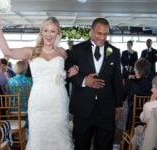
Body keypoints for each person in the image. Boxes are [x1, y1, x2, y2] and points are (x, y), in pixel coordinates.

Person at [0, 15, 76, 150]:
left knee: (59, 135)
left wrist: (75, 68)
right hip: (38, 102)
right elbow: (7, 51)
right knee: (38, 136)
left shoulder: (62, 52)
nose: (49, 35)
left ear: (58, 34)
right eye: (46, 30)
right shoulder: (31, 51)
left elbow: (72, 66)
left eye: (53, 31)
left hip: (58, 100)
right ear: (41, 32)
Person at [66, 18, 123, 150]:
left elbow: (117, 80)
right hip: (83, 108)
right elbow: (68, 73)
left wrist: (119, 105)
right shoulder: (77, 50)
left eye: (105, 34)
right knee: (81, 145)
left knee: (105, 145)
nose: (102, 38)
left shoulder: (114, 52)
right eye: (99, 33)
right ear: (91, 31)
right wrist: (85, 80)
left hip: (106, 109)